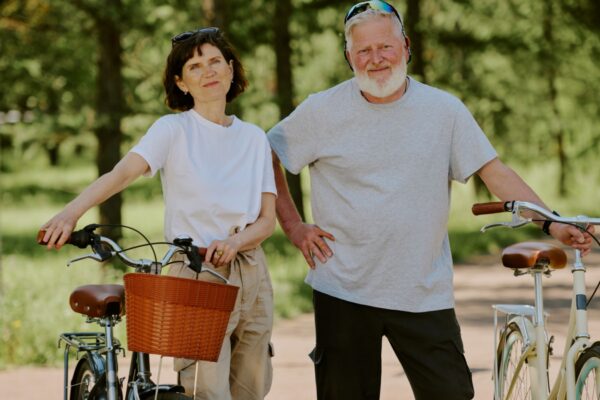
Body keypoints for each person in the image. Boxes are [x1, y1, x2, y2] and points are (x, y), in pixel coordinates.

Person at [267, 1, 594, 399]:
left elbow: (495, 173)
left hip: (422, 290)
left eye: (385, 47)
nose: (376, 60)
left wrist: (553, 223)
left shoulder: (443, 110)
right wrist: (294, 226)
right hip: (344, 287)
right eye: (364, 51)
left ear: (406, 46)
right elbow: (267, 156)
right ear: (349, 57)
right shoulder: (321, 110)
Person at [41, 27, 276, 400]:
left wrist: (235, 241)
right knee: (205, 392)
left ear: (231, 70)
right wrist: (71, 214)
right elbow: (122, 173)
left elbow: (267, 220)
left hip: (251, 272)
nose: (208, 71)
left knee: (252, 389)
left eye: (216, 61)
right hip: (196, 270)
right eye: (195, 67)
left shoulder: (254, 138)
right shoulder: (173, 130)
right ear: (181, 83)